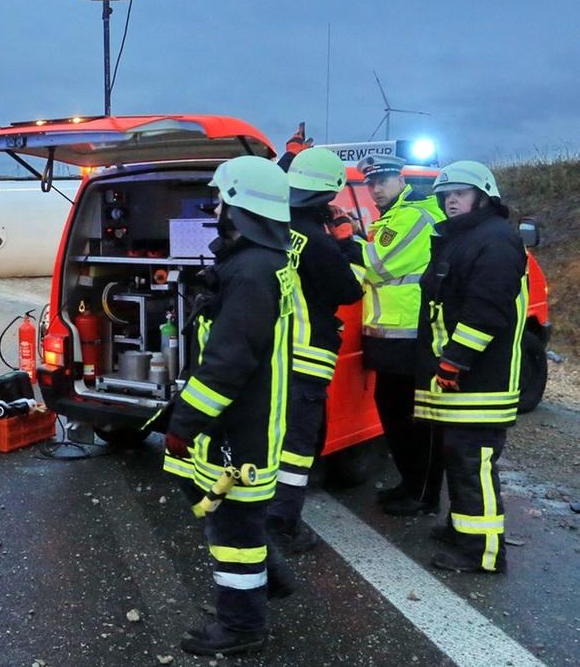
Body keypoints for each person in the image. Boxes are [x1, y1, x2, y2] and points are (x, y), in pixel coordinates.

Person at [164, 156, 293, 657]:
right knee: (228, 514)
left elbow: (227, 362)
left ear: (239, 207)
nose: (215, 208)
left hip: (241, 430)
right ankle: (268, 579)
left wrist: (185, 421)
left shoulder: (251, 272)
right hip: (243, 423)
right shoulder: (257, 263)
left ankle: (243, 626)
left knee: (233, 531)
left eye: (221, 200)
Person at [415, 161, 526, 573]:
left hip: (480, 379)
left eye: (459, 193)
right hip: (464, 377)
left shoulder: (494, 241)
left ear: (483, 196)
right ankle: (462, 528)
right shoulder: (467, 238)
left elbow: (486, 311)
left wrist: (455, 360)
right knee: (459, 456)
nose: (450, 200)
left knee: (472, 460)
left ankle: (481, 552)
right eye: (446, 195)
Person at [267, 146, 363, 552]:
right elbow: (350, 290)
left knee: (269, 441)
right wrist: (349, 243)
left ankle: (260, 513)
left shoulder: (270, 229)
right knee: (297, 450)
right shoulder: (319, 244)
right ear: (330, 196)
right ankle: (283, 528)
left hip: (269, 354)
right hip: (307, 357)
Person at [344, 154, 444, 515]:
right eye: (370, 183)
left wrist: (346, 241)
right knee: (394, 414)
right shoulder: (391, 218)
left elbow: (378, 266)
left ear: (400, 180)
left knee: (414, 420)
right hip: (390, 336)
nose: (375, 189)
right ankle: (411, 485)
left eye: (382, 181)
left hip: (412, 336)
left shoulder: (415, 216)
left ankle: (423, 495)